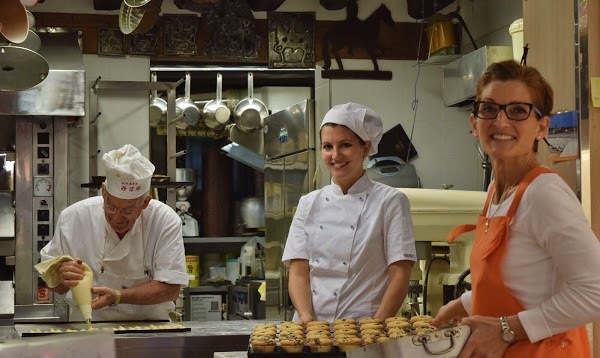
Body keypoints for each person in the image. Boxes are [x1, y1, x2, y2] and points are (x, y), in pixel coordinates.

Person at [430, 60, 600, 357]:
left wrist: (507, 329)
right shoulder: (497, 191)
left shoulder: (545, 194)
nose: (501, 121)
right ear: (474, 123)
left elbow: (594, 292)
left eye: (518, 110)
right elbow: (525, 282)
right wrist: (462, 304)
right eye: (489, 109)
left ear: (541, 126)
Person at [281, 102, 416, 323]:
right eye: (327, 147)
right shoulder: (308, 203)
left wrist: (377, 327)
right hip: (311, 329)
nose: (335, 155)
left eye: (345, 145)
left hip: (364, 328)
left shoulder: (390, 201)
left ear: (365, 148)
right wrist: (306, 317)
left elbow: (400, 273)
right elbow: (298, 270)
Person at [40, 144, 189, 321]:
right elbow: (54, 285)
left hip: (151, 328)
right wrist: (61, 278)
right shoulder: (74, 218)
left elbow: (171, 289)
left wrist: (118, 297)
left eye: (127, 210)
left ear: (145, 202)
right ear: (103, 192)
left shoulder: (164, 220)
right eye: (111, 206)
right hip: (88, 327)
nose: (117, 218)